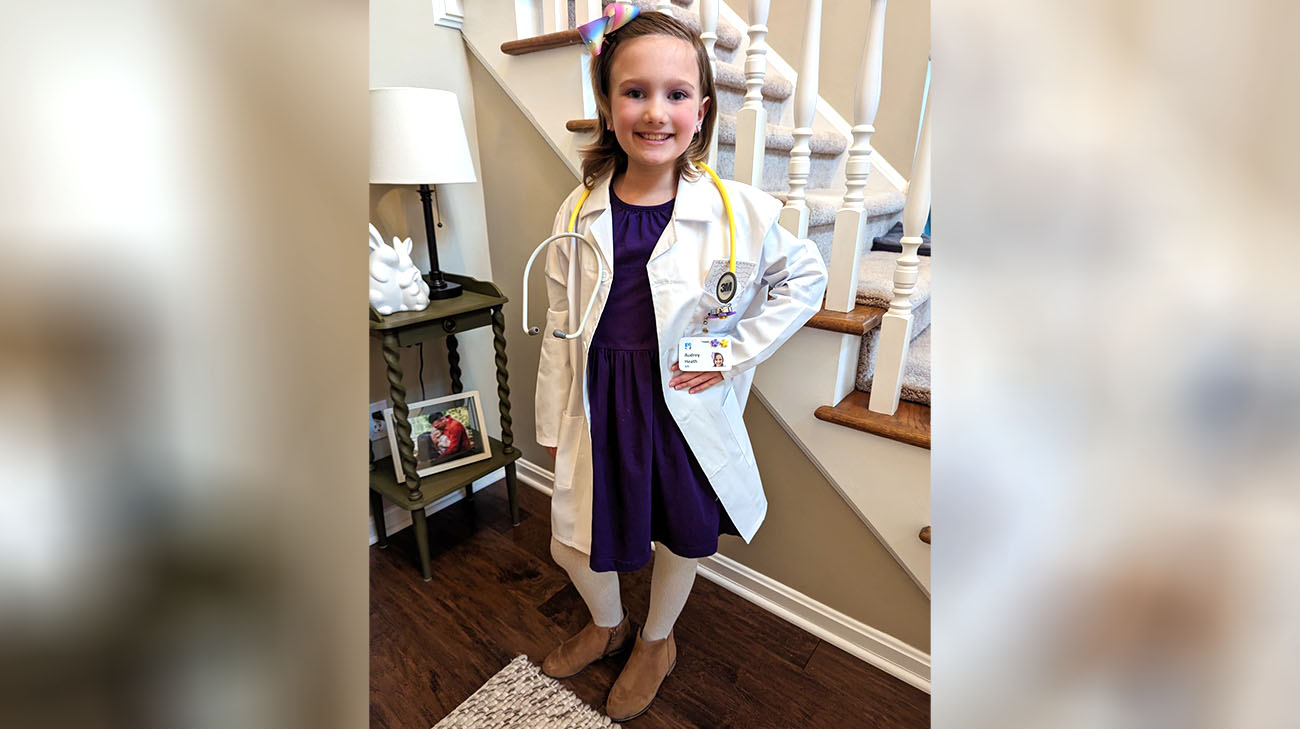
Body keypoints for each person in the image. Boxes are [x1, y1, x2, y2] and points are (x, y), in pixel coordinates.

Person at [533, 9, 827, 722]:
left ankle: (656, 640)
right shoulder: (576, 210)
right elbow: (560, 323)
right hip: (602, 399)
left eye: (675, 94)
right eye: (634, 92)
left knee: (679, 532)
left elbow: (805, 278)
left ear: (702, 109)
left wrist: (728, 352)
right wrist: (550, 421)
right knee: (576, 540)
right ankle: (608, 624)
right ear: (607, 105)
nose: (655, 112)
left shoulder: (737, 210)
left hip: (678, 402)